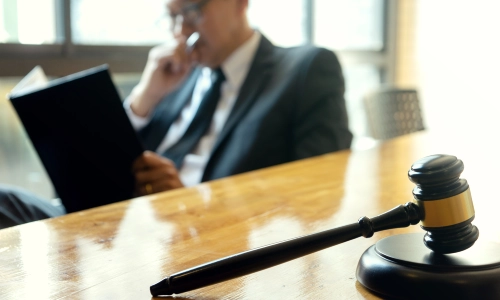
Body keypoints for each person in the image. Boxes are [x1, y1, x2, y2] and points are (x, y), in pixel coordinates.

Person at [0, 0, 352, 228]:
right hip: (114, 221)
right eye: (172, 17)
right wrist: (144, 96)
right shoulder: (179, 76)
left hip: (196, 237)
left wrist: (189, 202)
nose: (182, 31)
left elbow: (320, 192)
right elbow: (115, 157)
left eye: (193, 11)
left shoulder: (304, 68)